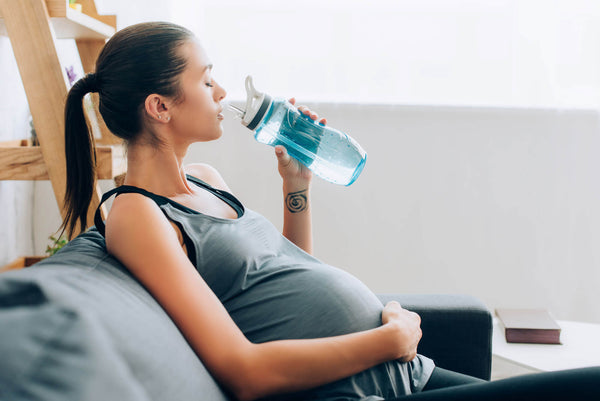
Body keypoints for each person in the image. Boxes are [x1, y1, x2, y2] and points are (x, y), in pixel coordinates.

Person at [62, 21, 600, 401]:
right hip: (357, 387)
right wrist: (386, 339)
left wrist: (296, 187)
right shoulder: (137, 216)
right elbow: (243, 372)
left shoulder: (208, 181)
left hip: (399, 370)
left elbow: (291, 271)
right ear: (159, 107)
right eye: (205, 80)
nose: (221, 91)